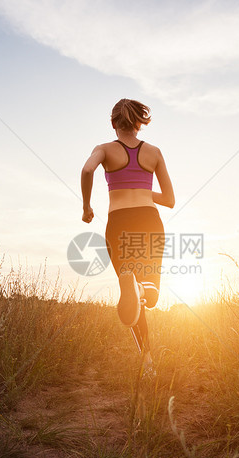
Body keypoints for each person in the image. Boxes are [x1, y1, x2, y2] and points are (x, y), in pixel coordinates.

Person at [80, 98, 175, 369]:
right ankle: (142, 288)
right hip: (149, 221)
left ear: (113, 124)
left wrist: (87, 207)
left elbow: (88, 169)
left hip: (118, 224)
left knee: (134, 300)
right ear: (139, 124)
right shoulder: (154, 152)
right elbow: (169, 200)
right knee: (150, 295)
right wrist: (144, 191)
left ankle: (147, 362)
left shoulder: (104, 149)